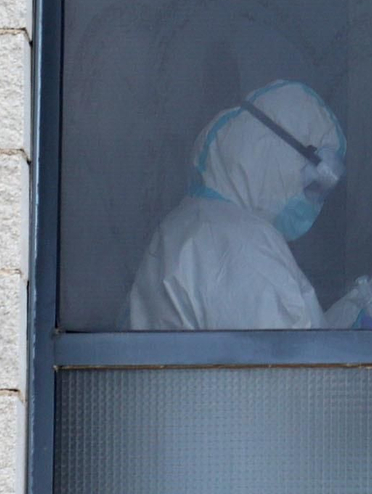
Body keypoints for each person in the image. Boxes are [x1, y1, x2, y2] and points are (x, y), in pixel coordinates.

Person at [121, 80, 351, 330]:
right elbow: (291, 360)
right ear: (275, 153)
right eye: (314, 185)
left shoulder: (195, 221)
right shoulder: (242, 247)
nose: (314, 203)